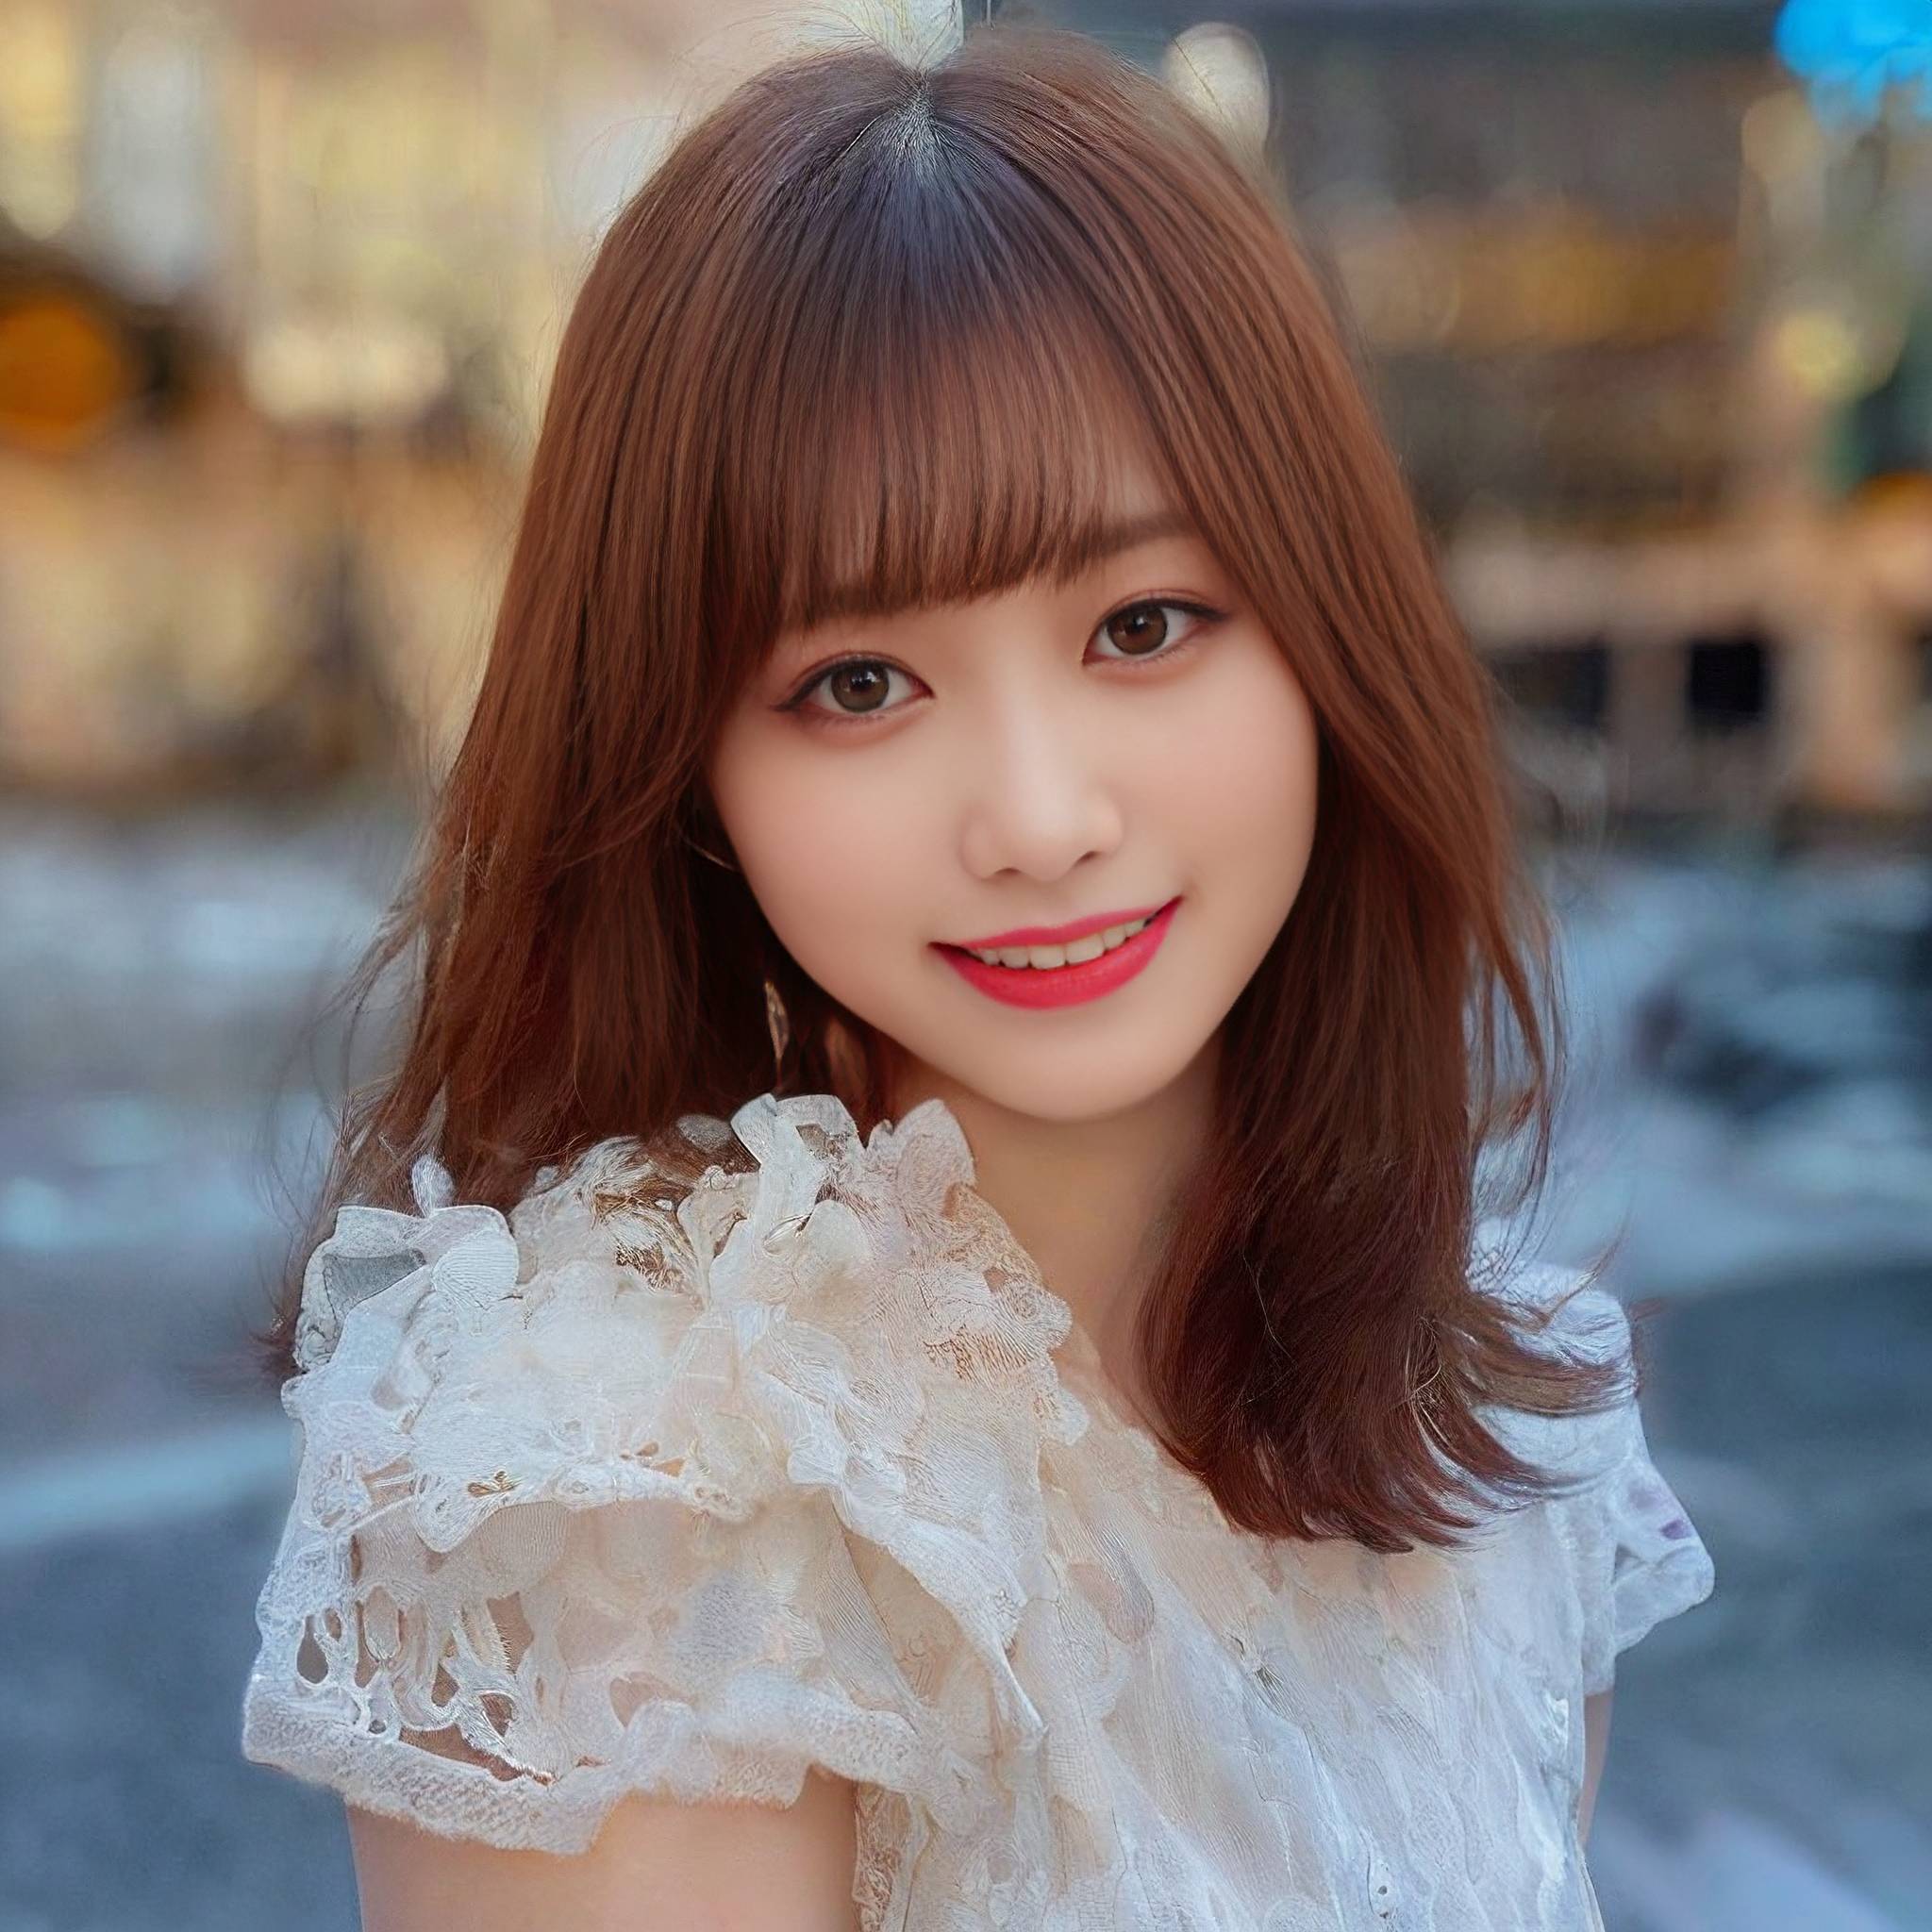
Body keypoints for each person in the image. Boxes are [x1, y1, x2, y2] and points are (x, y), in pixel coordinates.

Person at [239, 17, 1715, 1930]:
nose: (1035, 816)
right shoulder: (625, 1486)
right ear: (685, 764)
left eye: (1144, 622)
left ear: (1326, 640)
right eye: (859, 683)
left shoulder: (1487, 1420)